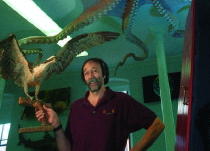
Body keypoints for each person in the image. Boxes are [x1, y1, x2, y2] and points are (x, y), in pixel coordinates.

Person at [36, 57, 165, 151]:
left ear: (104, 74)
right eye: (86, 73)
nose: (91, 76)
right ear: (84, 79)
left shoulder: (121, 101)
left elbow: (157, 125)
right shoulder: (76, 106)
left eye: (94, 71)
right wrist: (56, 125)